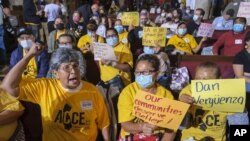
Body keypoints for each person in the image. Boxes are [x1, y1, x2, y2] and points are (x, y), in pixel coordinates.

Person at [1, 45, 110, 141]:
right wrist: (29, 55)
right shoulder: (45, 88)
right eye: (66, 67)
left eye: (75, 66)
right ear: (55, 73)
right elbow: (8, 86)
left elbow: (103, 123)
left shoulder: (92, 91)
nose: (73, 71)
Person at [179, 62, 249, 141]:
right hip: (190, 137)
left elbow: (239, 123)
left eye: (205, 80)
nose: (201, 83)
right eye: (197, 79)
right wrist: (183, 98)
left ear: (219, 80)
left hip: (215, 139)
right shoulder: (191, 89)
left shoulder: (228, 96)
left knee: (240, 110)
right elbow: (183, 93)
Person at [118, 54, 176, 141]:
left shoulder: (166, 95)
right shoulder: (128, 92)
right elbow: (125, 125)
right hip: (132, 135)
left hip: (158, 136)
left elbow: (171, 128)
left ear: (156, 74)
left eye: (146, 72)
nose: (141, 76)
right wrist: (142, 126)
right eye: (138, 72)